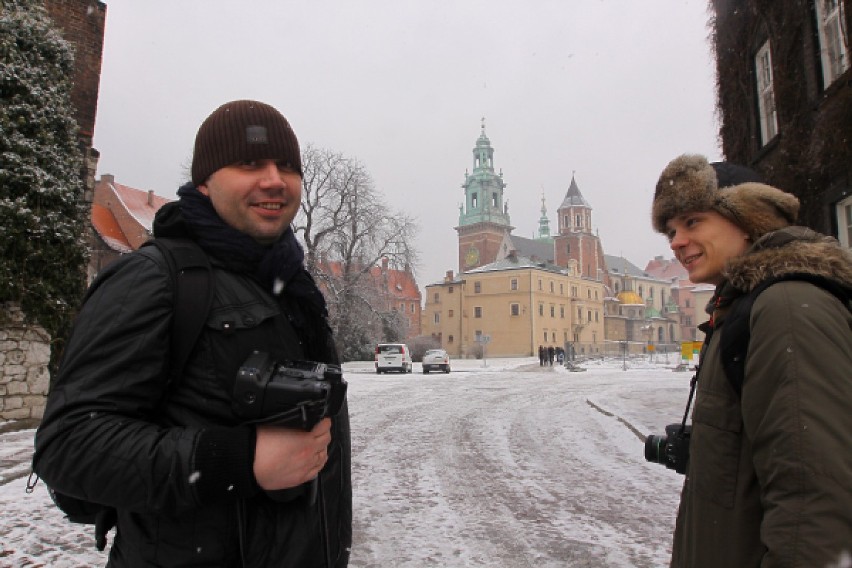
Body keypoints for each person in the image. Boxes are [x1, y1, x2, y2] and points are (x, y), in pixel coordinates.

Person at [33, 100, 352, 567]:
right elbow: (70, 446)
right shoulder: (155, 279)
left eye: (287, 166)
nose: (273, 180)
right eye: (249, 163)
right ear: (205, 182)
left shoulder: (290, 286)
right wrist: (236, 461)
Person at [651, 154, 852, 568]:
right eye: (671, 230)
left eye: (692, 222)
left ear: (747, 219)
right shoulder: (743, 306)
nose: (675, 241)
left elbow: (817, 499)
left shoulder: (787, 307)